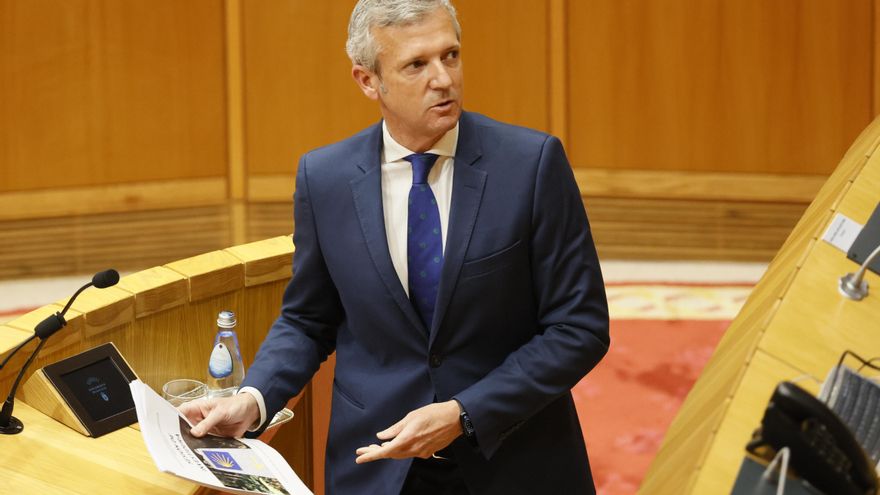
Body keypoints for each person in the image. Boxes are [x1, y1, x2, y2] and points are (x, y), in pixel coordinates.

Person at [180, 1, 610, 493]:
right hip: (378, 463)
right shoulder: (325, 179)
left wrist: (464, 413)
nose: (444, 79)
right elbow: (308, 319)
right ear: (368, 81)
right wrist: (254, 398)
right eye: (416, 64)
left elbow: (580, 327)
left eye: (450, 56)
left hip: (514, 458)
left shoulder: (531, 165)